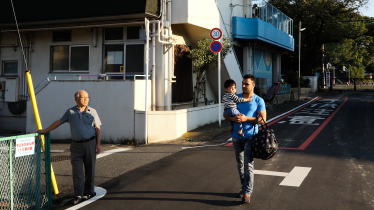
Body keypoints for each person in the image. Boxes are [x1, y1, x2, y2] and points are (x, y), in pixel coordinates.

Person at [38, 90, 101, 205]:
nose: (86, 99)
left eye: (87, 97)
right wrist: (45, 130)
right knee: (77, 171)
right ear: (76, 99)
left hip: (90, 143)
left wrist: (98, 144)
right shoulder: (70, 112)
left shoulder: (93, 111)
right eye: (83, 97)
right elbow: (59, 122)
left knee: (90, 169)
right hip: (76, 145)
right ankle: (78, 194)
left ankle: (89, 191)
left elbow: (97, 128)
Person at [223, 74, 266, 204]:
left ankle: (247, 192)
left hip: (250, 136)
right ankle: (244, 188)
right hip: (236, 137)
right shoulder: (236, 97)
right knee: (240, 164)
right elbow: (226, 113)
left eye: (246, 84)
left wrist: (246, 119)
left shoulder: (258, 100)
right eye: (242, 83)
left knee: (248, 164)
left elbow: (263, 119)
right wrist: (233, 119)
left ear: (253, 85)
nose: (243, 86)